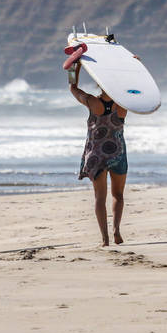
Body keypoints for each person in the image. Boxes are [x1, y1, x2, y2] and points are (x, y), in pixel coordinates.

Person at [69, 61, 129, 246]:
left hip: (97, 155)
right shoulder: (123, 104)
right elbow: (136, 89)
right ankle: (117, 231)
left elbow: (72, 87)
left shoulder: (92, 102)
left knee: (99, 198)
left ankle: (105, 239)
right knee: (118, 195)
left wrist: (75, 67)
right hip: (117, 153)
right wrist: (131, 67)